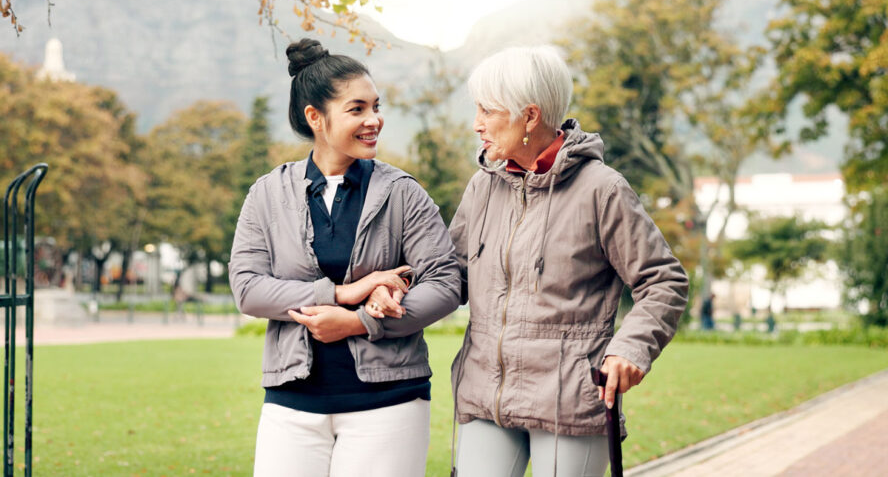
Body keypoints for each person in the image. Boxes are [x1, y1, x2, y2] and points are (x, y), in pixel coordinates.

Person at [448, 45, 689, 477]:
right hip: (485, 392)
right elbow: (451, 274)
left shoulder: (602, 189)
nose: (476, 124)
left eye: (487, 110)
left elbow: (663, 281)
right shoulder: (481, 188)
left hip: (568, 400)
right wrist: (398, 283)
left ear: (530, 116)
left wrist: (631, 348)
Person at [228, 38, 461, 477]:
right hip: (291, 404)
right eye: (357, 109)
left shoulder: (402, 193)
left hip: (389, 403)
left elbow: (446, 282)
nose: (374, 120)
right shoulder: (266, 194)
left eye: (376, 106)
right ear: (315, 117)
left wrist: (360, 322)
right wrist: (342, 292)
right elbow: (248, 288)